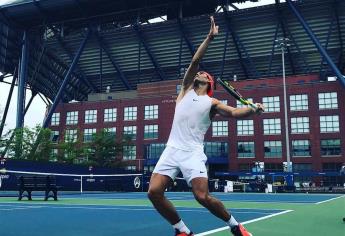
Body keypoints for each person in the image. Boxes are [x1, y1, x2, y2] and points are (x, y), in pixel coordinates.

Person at [147, 16, 265, 236]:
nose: (199, 73)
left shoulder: (212, 103)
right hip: (172, 149)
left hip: (192, 153)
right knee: (154, 192)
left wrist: (252, 109)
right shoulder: (184, 92)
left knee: (202, 196)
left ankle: (234, 225)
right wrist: (210, 38)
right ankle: (182, 230)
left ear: (209, 83)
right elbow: (195, 62)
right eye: (198, 73)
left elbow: (234, 112)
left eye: (203, 74)